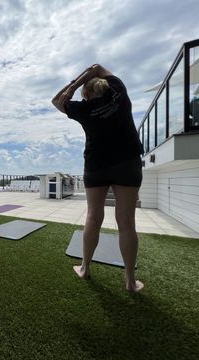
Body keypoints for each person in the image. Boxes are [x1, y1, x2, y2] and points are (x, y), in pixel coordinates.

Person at [52, 64, 145, 293]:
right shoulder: (118, 91)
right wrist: (80, 81)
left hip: (96, 165)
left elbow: (56, 101)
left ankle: (84, 268)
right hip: (127, 162)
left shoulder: (84, 109)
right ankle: (130, 282)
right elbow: (97, 66)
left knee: (93, 217)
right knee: (126, 222)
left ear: (86, 94)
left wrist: (71, 87)